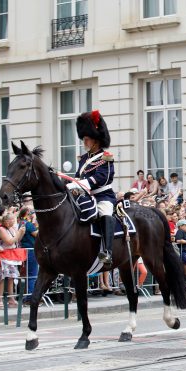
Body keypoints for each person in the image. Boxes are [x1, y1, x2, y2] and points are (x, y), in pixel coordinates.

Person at [66, 110, 116, 267]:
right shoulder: (84, 159)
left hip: (103, 196)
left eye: (87, 139)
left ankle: (108, 252)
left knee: (105, 212)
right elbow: (77, 176)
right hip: (84, 196)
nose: (84, 142)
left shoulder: (105, 157)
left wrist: (80, 184)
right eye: (84, 139)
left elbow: (102, 178)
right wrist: (72, 185)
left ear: (96, 140)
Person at [0, 213, 26, 308]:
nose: (14, 221)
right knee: (1, 278)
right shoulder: (1, 229)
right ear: (7, 221)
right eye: (13, 219)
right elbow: (9, 241)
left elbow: (16, 240)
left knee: (12, 277)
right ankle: (0, 300)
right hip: (2, 256)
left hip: (11, 256)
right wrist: (19, 233)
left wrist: (21, 233)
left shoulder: (12, 228)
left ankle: (11, 299)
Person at [18, 207, 38, 302]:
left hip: (25, 251)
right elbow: (37, 235)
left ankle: (27, 296)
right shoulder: (28, 224)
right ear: (27, 213)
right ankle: (30, 297)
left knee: (26, 274)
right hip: (30, 251)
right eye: (31, 212)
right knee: (32, 274)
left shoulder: (21, 223)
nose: (33, 213)